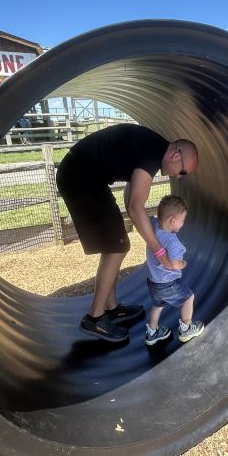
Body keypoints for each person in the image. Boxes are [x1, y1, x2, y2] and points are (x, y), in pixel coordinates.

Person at [55, 123, 199, 342]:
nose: (178, 177)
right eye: (182, 172)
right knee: (117, 247)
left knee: (117, 245)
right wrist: (159, 249)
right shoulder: (152, 152)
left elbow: (130, 194)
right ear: (176, 154)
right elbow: (134, 206)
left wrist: (139, 227)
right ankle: (94, 318)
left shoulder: (152, 148)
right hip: (81, 178)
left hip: (87, 177)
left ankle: (112, 309)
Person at [143, 195, 204, 346]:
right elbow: (175, 265)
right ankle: (186, 329)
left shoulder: (153, 225)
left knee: (158, 305)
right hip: (167, 283)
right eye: (183, 220)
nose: (183, 223)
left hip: (153, 281)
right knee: (188, 297)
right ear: (173, 221)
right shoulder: (172, 242)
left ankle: (152, 333)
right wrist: (183, 263)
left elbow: (146, 217)